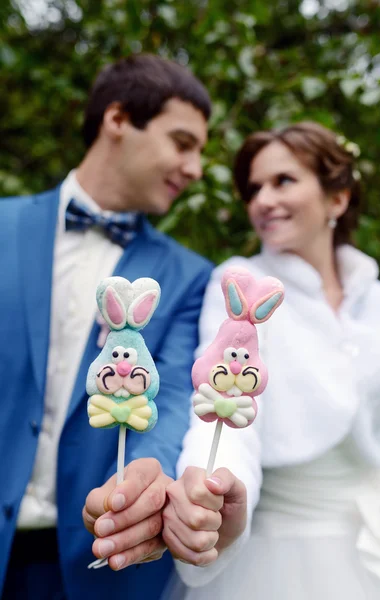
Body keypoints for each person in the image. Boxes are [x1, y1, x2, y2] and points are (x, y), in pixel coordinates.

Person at [0, 53, 214, 600]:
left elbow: (171, 400)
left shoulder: (191, 278)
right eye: (183, 142)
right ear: (117, 120)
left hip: (100, 562)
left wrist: (147, 472)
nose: (195, 168)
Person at [161, 121, 380, 599]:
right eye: (254, 188)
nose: (262, 200)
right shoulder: (240, 286)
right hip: (273, 556)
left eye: (283, 181)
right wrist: (213, 488)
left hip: (378, 544)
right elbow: (225, 409)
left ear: (337, 198)